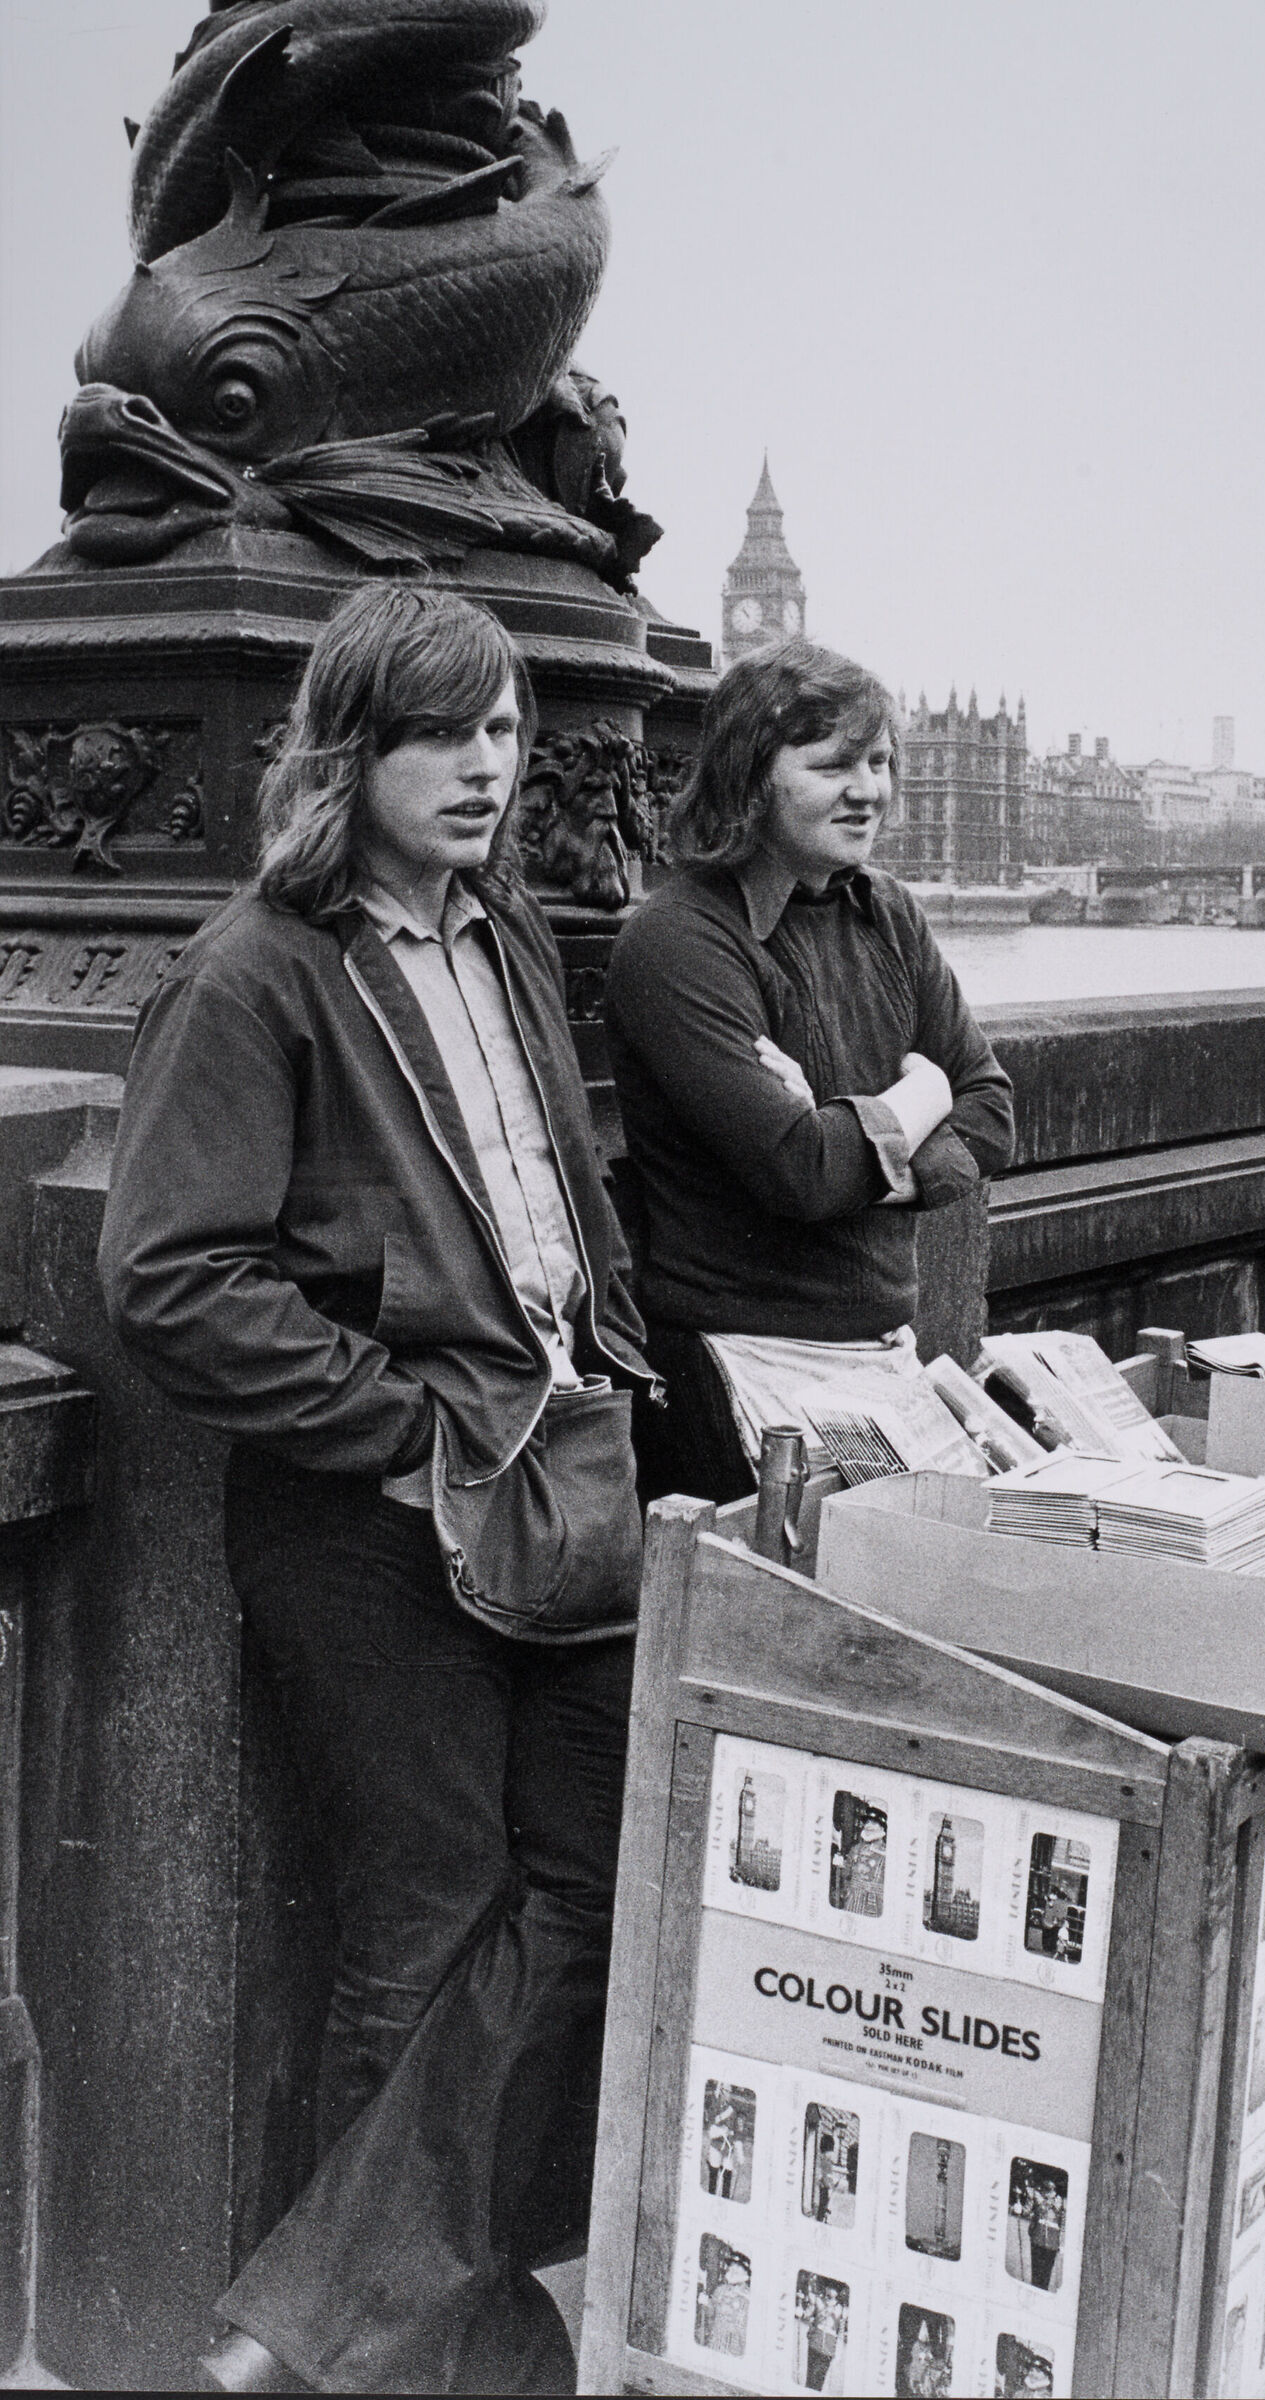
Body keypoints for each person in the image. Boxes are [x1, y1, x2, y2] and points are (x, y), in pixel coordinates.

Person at [97, 580, 658, 2395]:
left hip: (559, 1483)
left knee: (587, 1877)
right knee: (430, 1911)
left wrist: (639, 1393)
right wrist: (402, 1433)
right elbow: (172, 1277)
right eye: (445, 732)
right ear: (353, 752)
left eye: (504, 727)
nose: (489, 764)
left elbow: (569, 1222)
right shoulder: (254, 970)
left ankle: (332, 2324)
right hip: (379, 1518)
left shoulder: (497, 942)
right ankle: (435, 2357)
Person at [604, 639, 1015, 1503]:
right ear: (751, 778)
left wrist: (873, 1142)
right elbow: (801, 1173)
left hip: (883, 1360)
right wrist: (918, 1097)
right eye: (833, 765)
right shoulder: (680, 941)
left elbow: (990, 1111)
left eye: (880, 761)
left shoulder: (889, 914)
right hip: (744, 1364)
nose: (869, 790)